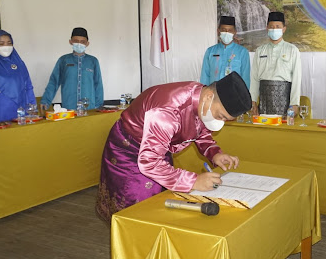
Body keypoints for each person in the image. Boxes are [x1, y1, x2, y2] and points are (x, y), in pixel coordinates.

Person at [96, 72, 251, 223]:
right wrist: (193, 181)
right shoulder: (167, 111)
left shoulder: (202, 98)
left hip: (157, 148)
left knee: (161, 199)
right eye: (220, 116)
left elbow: (199, 129)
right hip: (129, 148)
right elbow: (150, 163)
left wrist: (214, 153)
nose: (220, 122)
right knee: (137, 204)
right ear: (209, 96)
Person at [250, 12, 302, 116]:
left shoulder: (292, 50)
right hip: (264, 98)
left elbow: (297, 78)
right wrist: (253, 101)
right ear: (267, 29)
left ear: (284, 29)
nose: (274, 29)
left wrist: (294, 104)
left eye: (278, 27)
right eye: (271, 27)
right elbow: (254, 78)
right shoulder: (260, 50)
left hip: (284, 98)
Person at [40, 27, 103, 111]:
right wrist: (45, 100)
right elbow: (54, 82)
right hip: (69, 107)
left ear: (87, 43)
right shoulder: (63, 60)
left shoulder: (93, 61)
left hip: (89, 108)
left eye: (82, 42)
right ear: (70, 42)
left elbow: (98, 84)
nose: (79, 44)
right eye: (76, 41)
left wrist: (99, 105)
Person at [200, 16, 250, 88]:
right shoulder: (210, 51)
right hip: (213, 93)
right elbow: (205, 75)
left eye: (230, 30)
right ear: (218, 31)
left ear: (235, 32)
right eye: (224, 30)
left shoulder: (242, 52)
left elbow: (245, 77)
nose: (227, 33)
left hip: (234, 94)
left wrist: (244, 97)